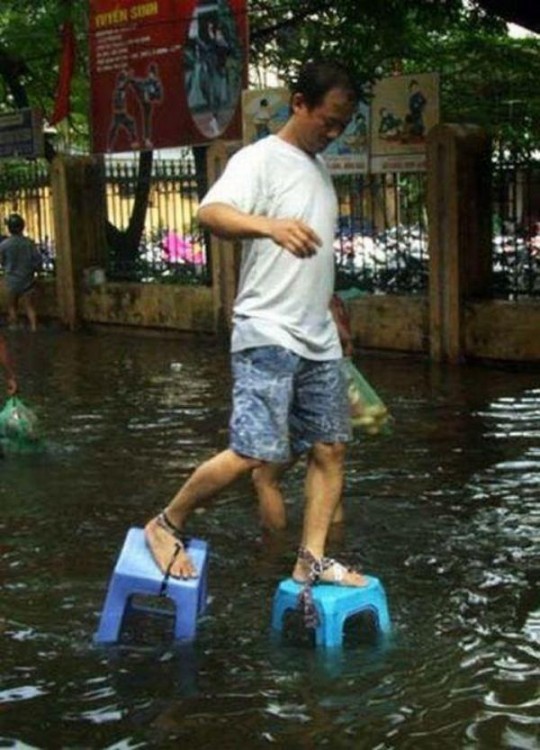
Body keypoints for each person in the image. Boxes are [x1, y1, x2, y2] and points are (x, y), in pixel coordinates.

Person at [144, 60, 367, 594]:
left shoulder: (317, 170)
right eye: (328, 120)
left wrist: (332, 308)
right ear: (298, 103)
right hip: (267, 329)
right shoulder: (260, 159)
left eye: (343, 125)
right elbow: (211, 214)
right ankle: (167, 522)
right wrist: (267, 226)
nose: (333, 133)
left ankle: (310, 560)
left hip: (316, 335)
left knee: (331, 448)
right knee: (254, 452)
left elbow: (312, 257)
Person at [252, 293, 354, 532]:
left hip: (299, 376)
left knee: (265, 477)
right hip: (328, 375)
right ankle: (333, 547)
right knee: (326, 468)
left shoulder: (289, 292)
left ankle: (274, 551)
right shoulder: (329, 292)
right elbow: (346, 340)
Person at [0, 213, 42, 331]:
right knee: (30, 306)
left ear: (9, 228)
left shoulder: (4, 245)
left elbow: (2, 261)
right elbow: (38, 261)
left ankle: (14, 327)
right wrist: (35, 271)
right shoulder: (29, 243)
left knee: (12, 307)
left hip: (11, 281)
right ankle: (34, 328)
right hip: (27, 280)